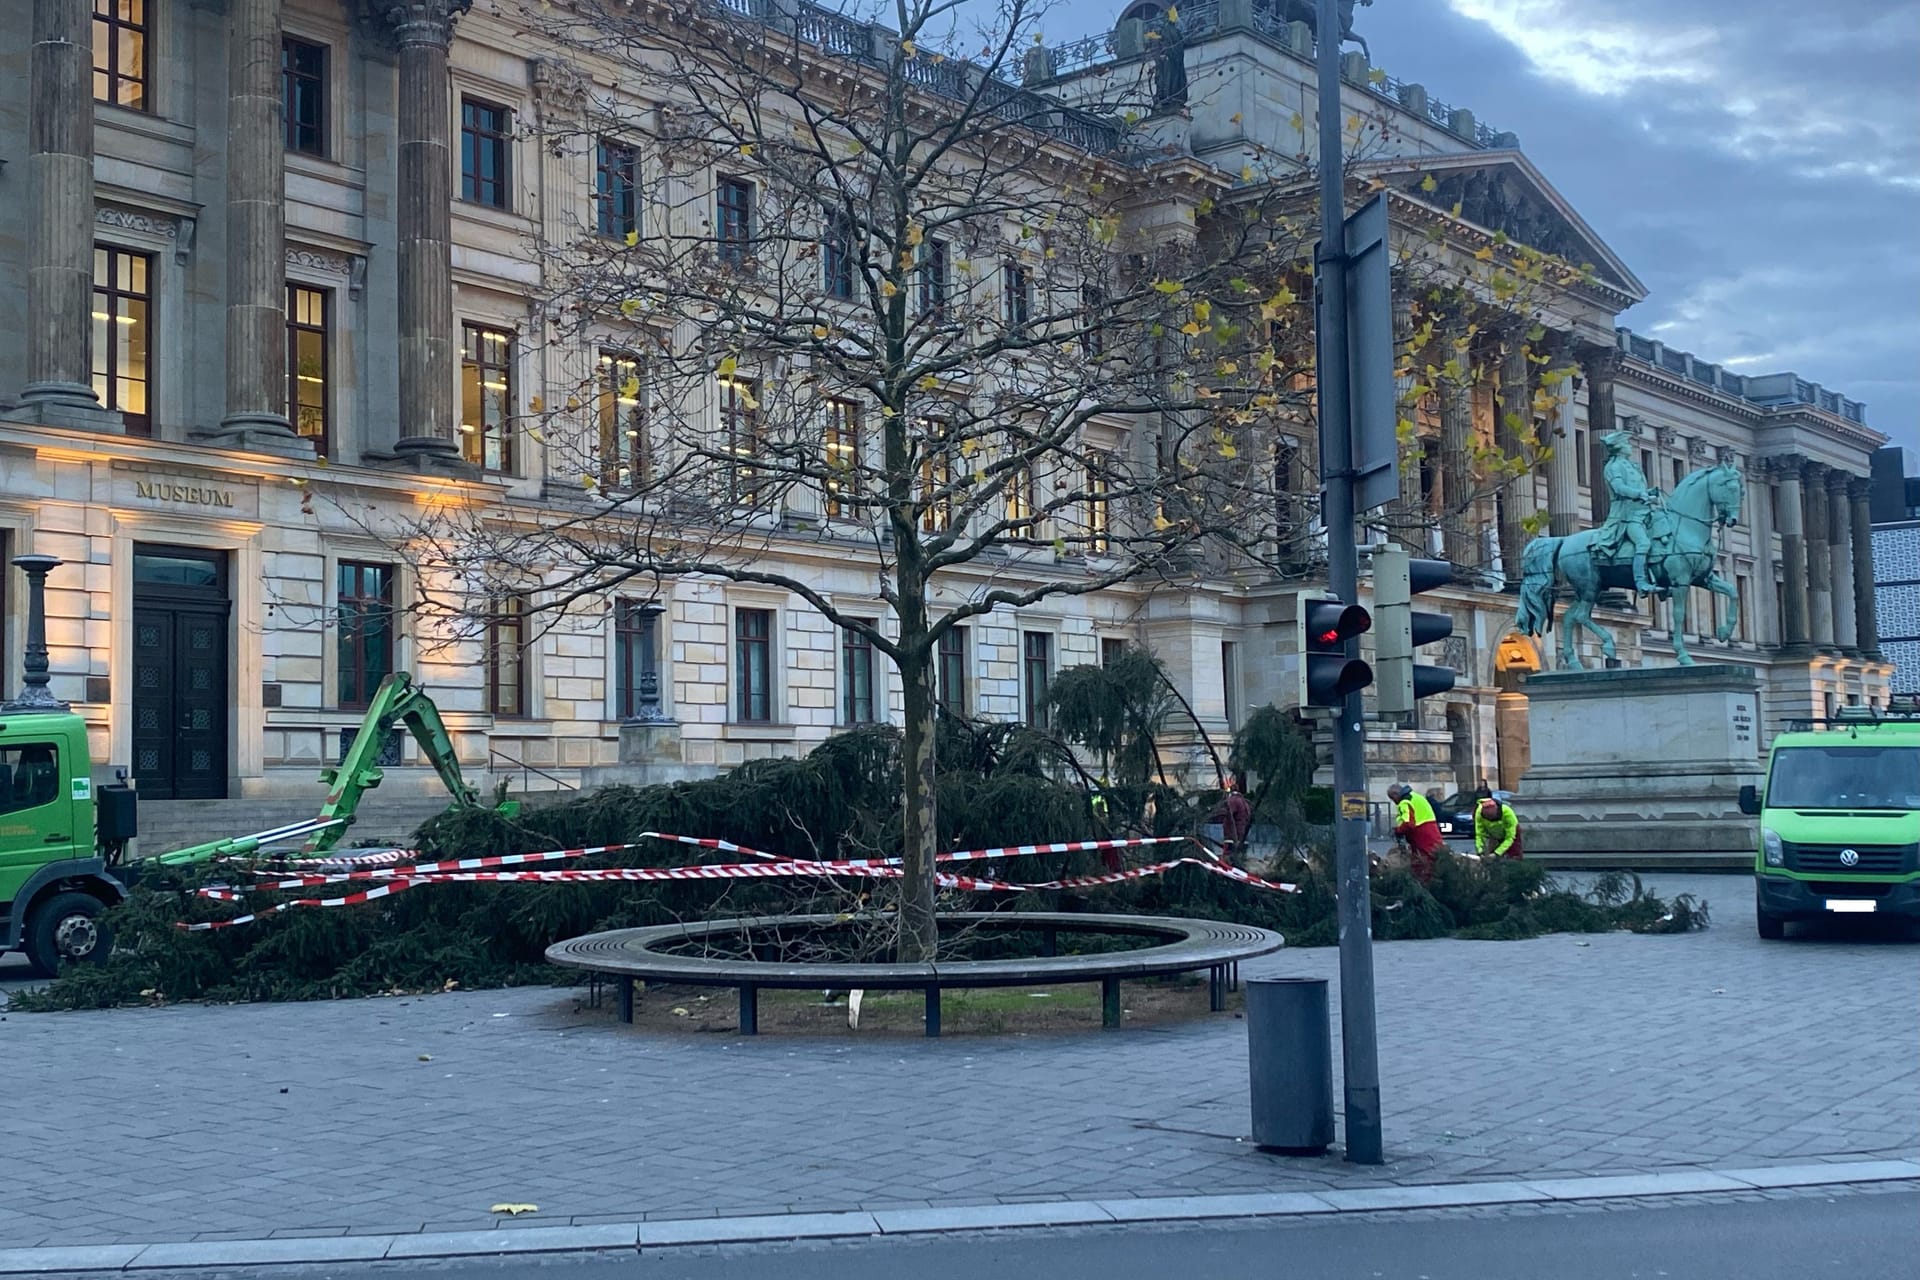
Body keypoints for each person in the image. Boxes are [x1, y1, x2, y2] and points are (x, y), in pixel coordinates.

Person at [1598, 430, 1664, 595]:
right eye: (1627, 444)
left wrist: (1649, 493)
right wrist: (1640, 494)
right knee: (1643, 543)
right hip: (1626, 516)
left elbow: (1638, 488)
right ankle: (1641, 583)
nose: (1630, 447)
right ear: (1619, 447)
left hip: (1644, 512)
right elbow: (1619, 489)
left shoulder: (1632, 466)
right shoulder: (1613, 467)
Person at [1387, 782, 1445, 884]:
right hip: (1431, 831)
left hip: (1421, 835)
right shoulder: (1417, 796)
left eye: (1392, 798)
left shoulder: (1405, 802)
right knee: (1436, 857)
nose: (1394, 802)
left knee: (1423, 864)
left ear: (1396, 794)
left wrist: (1398, 830)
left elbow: (1409, 824)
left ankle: (1424, 887)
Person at [1209, 777, 1252, 866]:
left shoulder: (1233, 801)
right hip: (1243, 834)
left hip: (1232, 834)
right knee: (1241, 858)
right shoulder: (1244, 802)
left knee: (1228, 858)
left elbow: (1227, 812)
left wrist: (1212, 812)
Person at [1473, 796, 1522, 860]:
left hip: (1510, 832)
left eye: (1492, 818)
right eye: (1487, 818)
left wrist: (1497, 853)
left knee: (1514, 854)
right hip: (1492, 834)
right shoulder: (1479, 813)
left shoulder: (1508, 813)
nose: (1490, 821)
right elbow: (1479, 835)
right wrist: (1480, 851)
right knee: (1490, 856)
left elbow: (1510, 837)